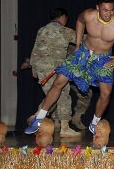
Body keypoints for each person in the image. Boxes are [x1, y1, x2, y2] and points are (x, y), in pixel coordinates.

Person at [25, 0, 114, 135]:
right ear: (98, 8)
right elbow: (80, 21)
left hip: (102, 59)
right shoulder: (88, 15)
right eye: (105, 10)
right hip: (83, 53)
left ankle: (94, 123)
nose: (108, 14)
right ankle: (39, 118)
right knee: (58, 82)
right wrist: (77, 44)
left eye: (111, 10)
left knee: (106, 93)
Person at [26, 8, 81, 137]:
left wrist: (34, 69)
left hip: (41, 70)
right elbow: (82, 39)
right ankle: (65, 128)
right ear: (63, 17)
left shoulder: (42, 30)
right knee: (63, 94)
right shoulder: (64, 31)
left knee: (52, 95)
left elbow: (35, 49)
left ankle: (37, 117)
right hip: (55, 69)